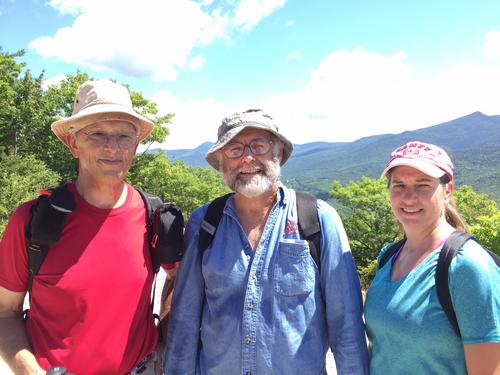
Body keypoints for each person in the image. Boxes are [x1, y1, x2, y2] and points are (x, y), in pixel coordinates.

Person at [165, 109, 369, 374]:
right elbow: (185, 322)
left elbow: (347, 325)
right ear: (222, 162)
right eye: (235, 150)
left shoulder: (318, 220)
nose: (248, 158)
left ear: (278, 153)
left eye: (258, 146)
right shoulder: (205, 222)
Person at [0, 79, 175, 375]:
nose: (112, 146)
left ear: (135, 144)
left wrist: (165, 338)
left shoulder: (154, 216)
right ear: (73, 143)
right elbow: (6, 312)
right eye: (97, 133)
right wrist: (27, 369)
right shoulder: (30, 220)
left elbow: (179, 278)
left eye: (124, 136)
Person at [364, 141, 500, 374]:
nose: (409, 197)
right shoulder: (388, 256)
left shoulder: (466, 266)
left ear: (447, 191)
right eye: (399, 185)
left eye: (423, 185)